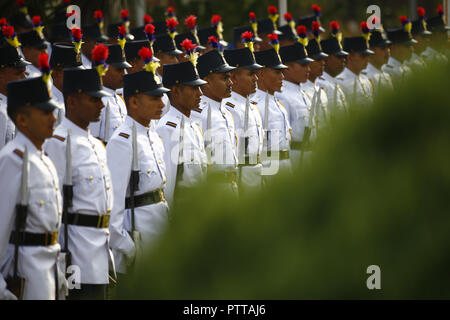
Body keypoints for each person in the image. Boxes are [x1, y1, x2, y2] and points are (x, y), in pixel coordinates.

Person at [44, 68, 114, 300]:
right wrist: (60, 261)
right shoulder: (59, 142)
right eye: (94, 99)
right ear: (72, 101)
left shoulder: (96, 145)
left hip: (100, 252)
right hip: (75, 254)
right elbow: (55, 208)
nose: (101, 105)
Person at [0, 75, 63, 300]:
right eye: (45, 112)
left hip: (49, 270)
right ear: (23, 119)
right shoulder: (12, 159)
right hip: (24, 273)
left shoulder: (42, 156)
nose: (53, 118)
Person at [107, 63, 170, 277]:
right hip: (139, 241)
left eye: (161, 97)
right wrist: (129, 249)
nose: (162, 103)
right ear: (133, 101)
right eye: (154, 98)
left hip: (160, 235)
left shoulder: (152, 134)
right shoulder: (122, 141)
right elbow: (113, 206)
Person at [155, 61, 208, 206]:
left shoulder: (193, 125)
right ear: (176, 91)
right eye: (194, 88)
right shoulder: (167, 128)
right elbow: (169, 181)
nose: (200, 93)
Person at [191, 49, 238, 194]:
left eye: (229, 77)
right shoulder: (198, 113)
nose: (230, 82)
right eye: (224, 78)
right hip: (213, 188)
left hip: (232, 185)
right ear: (207, 82)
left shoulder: (226, 112)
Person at [223, 44, 264, 191]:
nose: (256, 78)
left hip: (257, 172)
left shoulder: (251, 105)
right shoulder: (229, 107)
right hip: (243, 176)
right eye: (251, 74)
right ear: (234, 76)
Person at [253, 45, 292, 175]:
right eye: (276, 72)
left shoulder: (278, 103)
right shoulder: (255, 104)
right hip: (269, 167)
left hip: (286, 164)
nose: (282, 77)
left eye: (282, 72)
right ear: (261, 73)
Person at [276, 42, 314, 165]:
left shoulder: (303, 92)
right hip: (296, 155)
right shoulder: (282, 95)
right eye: (303, 65)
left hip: (310, 153)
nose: (308, 69)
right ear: (287, 68)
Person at [88, 43, 131, 144]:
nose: (124, 74)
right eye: (119, 70)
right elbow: (93, 139)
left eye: (125, 69)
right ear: (103, 69)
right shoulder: (96, 101)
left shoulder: (120, 100)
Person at [0, 44, 30, 150]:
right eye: (18, 73)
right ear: (1, 76)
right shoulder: (1, 112)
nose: (24, 78)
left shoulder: (10, 106)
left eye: (25, 72)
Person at [336, 29, 374, 107]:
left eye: (367, 56)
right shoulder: (340, 82)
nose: (367, 59)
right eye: (363, 56)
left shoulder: (366, 79)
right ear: (350, 57)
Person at [362, 28, 393, 93]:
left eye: (388, 47)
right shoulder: (366, 76)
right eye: (383, 48)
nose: (388, 51)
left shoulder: (386, 75)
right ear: (371, 51)